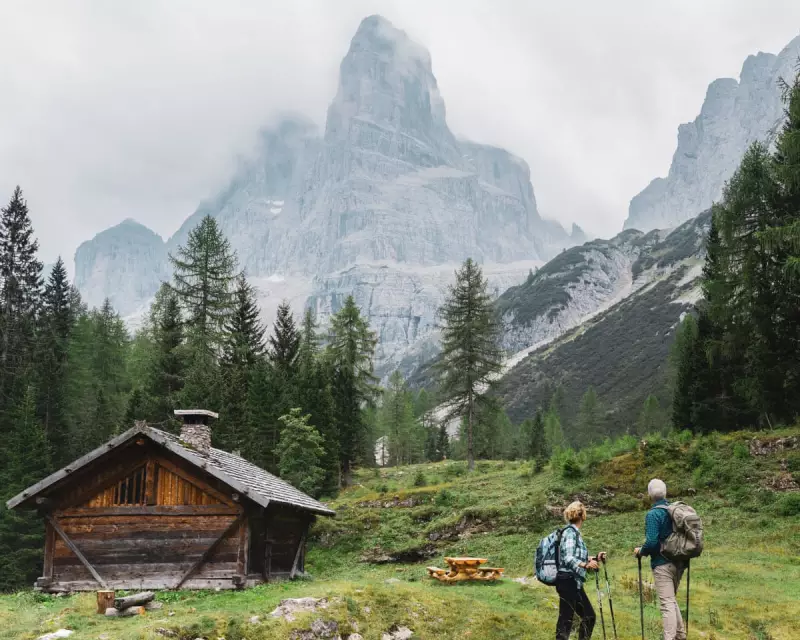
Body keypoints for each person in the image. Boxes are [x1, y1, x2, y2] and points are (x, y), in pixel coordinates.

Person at [634, 479, 686, 640]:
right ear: (665, 492)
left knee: (666, 604)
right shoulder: (674, 511)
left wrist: (640, 551)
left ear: (650, 495)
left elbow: (651, 542)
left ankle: (669, 637)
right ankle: (680, 635)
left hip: (662, 564)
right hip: (679, 562)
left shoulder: (653, 514)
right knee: (671, 599)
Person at [555, 501, 605, 640]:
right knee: (566, 621)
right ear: (582, 515)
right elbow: (568, 558)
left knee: (588, 617)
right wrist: (585, 565)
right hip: (567, 581)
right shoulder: (571, 533)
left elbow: (575, 556)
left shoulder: (574, 533)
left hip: (573, 582)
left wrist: (595, 558)